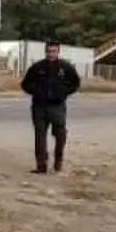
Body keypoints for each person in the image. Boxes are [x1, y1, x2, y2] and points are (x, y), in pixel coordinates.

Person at [20, 40, 81, 173]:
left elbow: (75, 83)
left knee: (60, 134)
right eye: (48, 51)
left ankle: (58, 159)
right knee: (40, 136)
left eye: (53, 51)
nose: (50, 54)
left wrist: (63, 93)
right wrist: (36, 92)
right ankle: (41, 165)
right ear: (45, 51)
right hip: (39, 107)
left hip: (57, 107)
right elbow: (25, 84)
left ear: (58, 52)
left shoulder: (65, 67)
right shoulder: (37, 67)